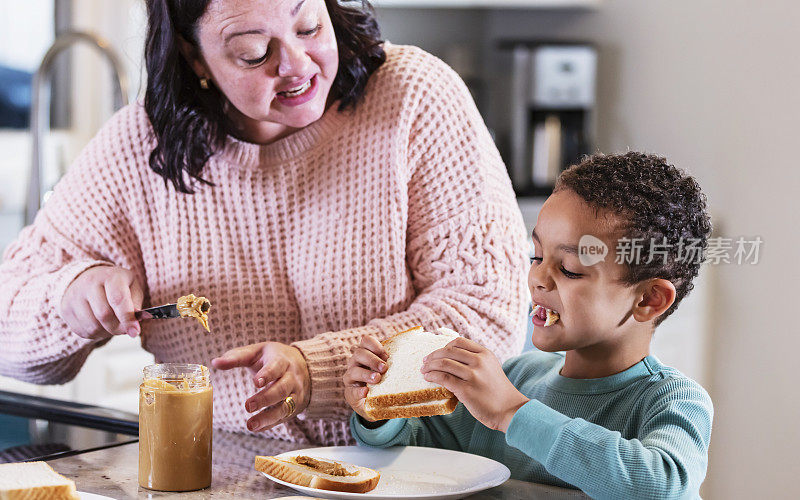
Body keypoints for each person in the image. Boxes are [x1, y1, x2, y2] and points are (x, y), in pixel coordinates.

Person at [0, 0, 530, 445]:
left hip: (419, 470)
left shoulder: (413, 96)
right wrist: (68, 298)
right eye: (255, 52)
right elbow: (8, 327)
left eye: (308, 27)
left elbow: (487, 315)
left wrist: (316, 370)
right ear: (193, 55)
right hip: (227, 480)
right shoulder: (140, 149)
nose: (297, 64)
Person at [346, 152, 714, 498]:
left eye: (569, 269)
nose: (538, 277)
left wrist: (512, 413)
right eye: (536, 255)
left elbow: (659, 487)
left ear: (648, 300)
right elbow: (417, 451)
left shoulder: (671, 401)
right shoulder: (517, 376)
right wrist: (377, 411)